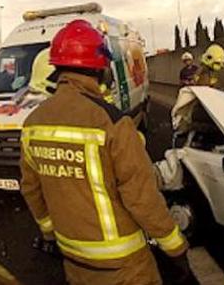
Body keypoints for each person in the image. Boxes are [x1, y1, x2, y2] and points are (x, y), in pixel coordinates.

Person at [20, 20, 193, 285]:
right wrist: (175, 247)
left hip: (74, 260)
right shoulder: (111, 122)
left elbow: (32, 189)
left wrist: (49, 233)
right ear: (99, 68)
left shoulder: (33, 123)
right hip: (124, 266)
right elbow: (141, 196)